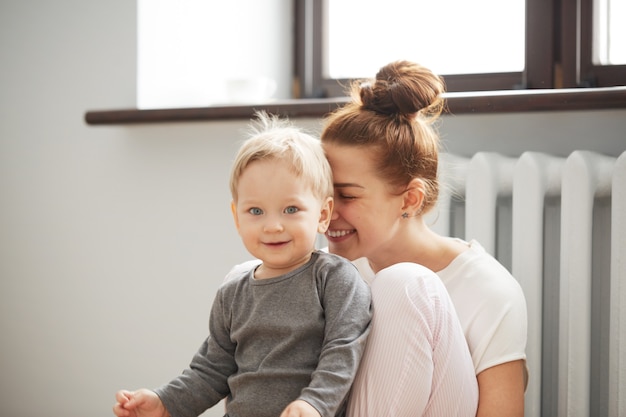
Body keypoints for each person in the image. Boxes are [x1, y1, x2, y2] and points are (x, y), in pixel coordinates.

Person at [112, 112, 372, 417]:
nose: (272, 226)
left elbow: (342, 352)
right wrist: (165, 402)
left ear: (323, 214)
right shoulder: (233, 292)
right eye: (256, 211)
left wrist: (314, 403)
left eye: (291, 209)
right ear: (237, 218)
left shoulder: (334, 278)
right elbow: (211, 369)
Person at [321, 60, 528, 417]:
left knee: (404, 285)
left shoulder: (487, 288)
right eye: (322, 191)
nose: (328, 210)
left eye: (348, 196)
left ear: (410, 199)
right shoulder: (332, 269)